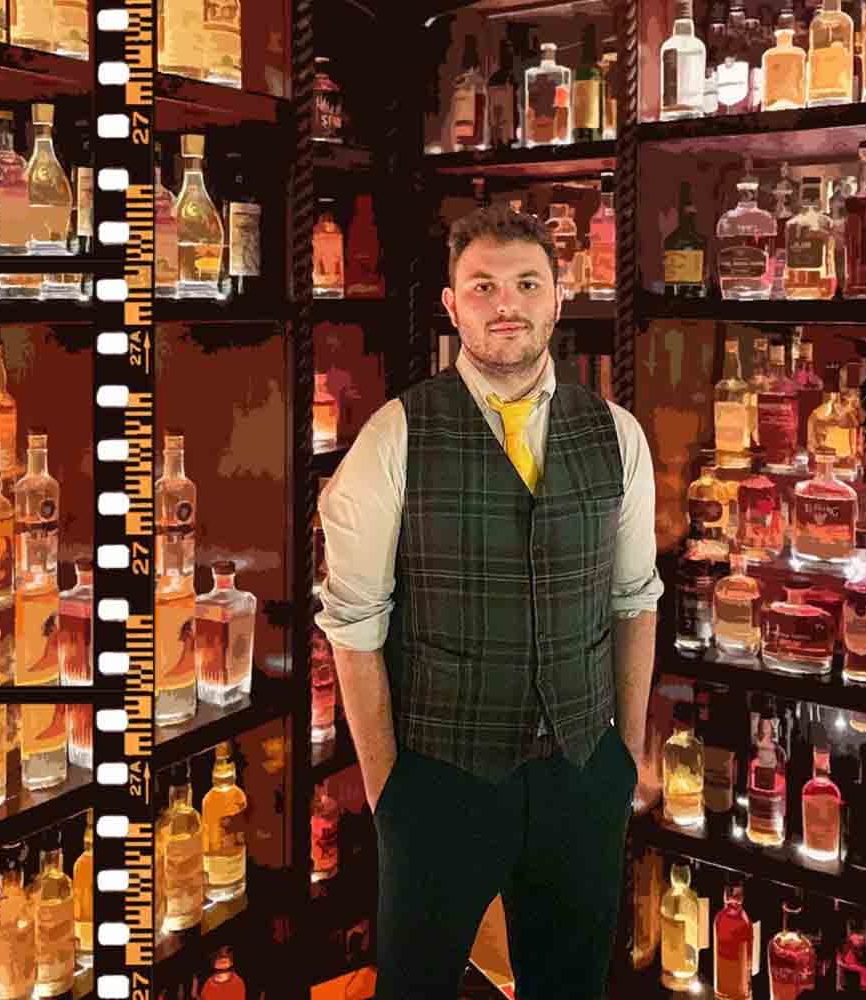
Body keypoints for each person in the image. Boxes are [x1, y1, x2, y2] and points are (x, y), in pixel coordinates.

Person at [317, 204, 662, 999]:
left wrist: (623, 757)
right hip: (440, 784)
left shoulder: (618, 434)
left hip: (582, 777)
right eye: (483, 286)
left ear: (558, 298)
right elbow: (354, 626)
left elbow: (634, 602)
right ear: (451, 305)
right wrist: (389, 793)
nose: (506, 304)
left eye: (527, 284)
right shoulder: (395, 436)